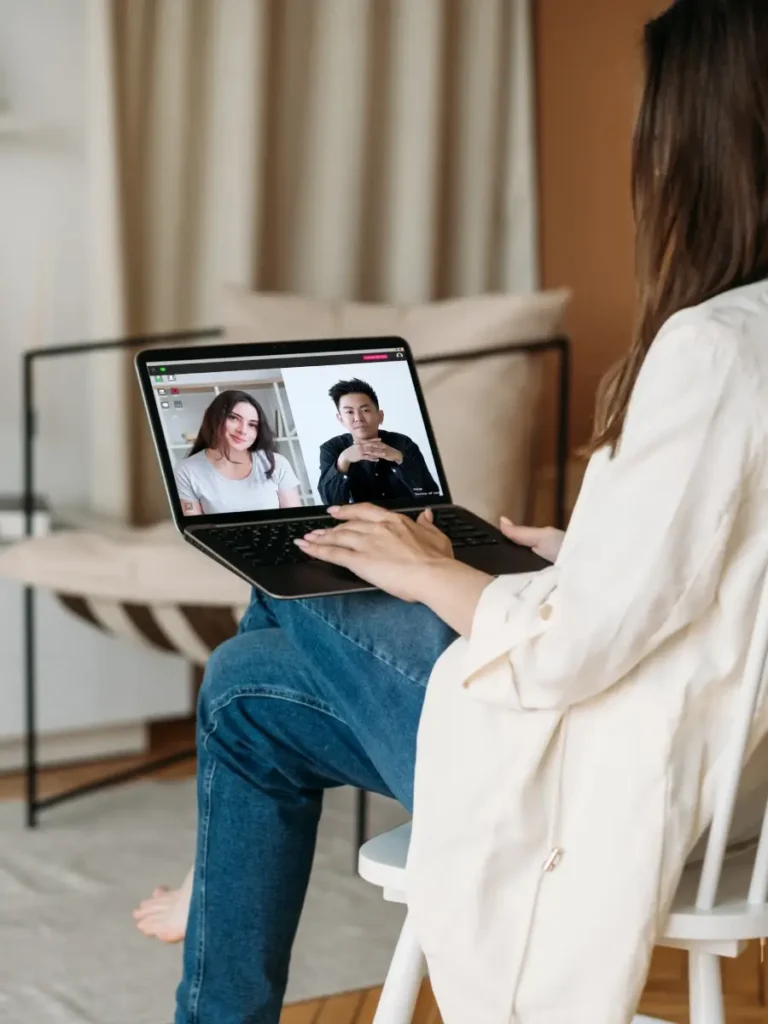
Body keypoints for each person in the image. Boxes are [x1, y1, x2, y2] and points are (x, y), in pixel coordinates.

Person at [135, 2, 768, 1020]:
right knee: (246, 685)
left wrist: (430, 568)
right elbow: (726, 564)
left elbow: (570, 653)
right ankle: (214, 893)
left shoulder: (711, 346)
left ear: (700, 140)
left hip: (602, 786)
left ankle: (213, 894)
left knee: (299, 567)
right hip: (732, 783)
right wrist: (577, 549)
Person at [174, 390, 301, 514]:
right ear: (214, 418)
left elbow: (294, 518)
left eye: (252, 425)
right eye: (233, 418)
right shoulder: (186, 471)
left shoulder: (277, 463)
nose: (243, 430)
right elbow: (193, 524)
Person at [317, 379, 439, 504]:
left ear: (380, 416)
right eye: (349, 412)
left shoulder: (403, 443)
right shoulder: (331, 449)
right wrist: (343, 461)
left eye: (365, 410)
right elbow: (331, 505)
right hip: (361, 516)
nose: (358, 418)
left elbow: (431, 494)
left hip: (404, 513)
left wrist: (399, 459)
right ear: (341, 419)